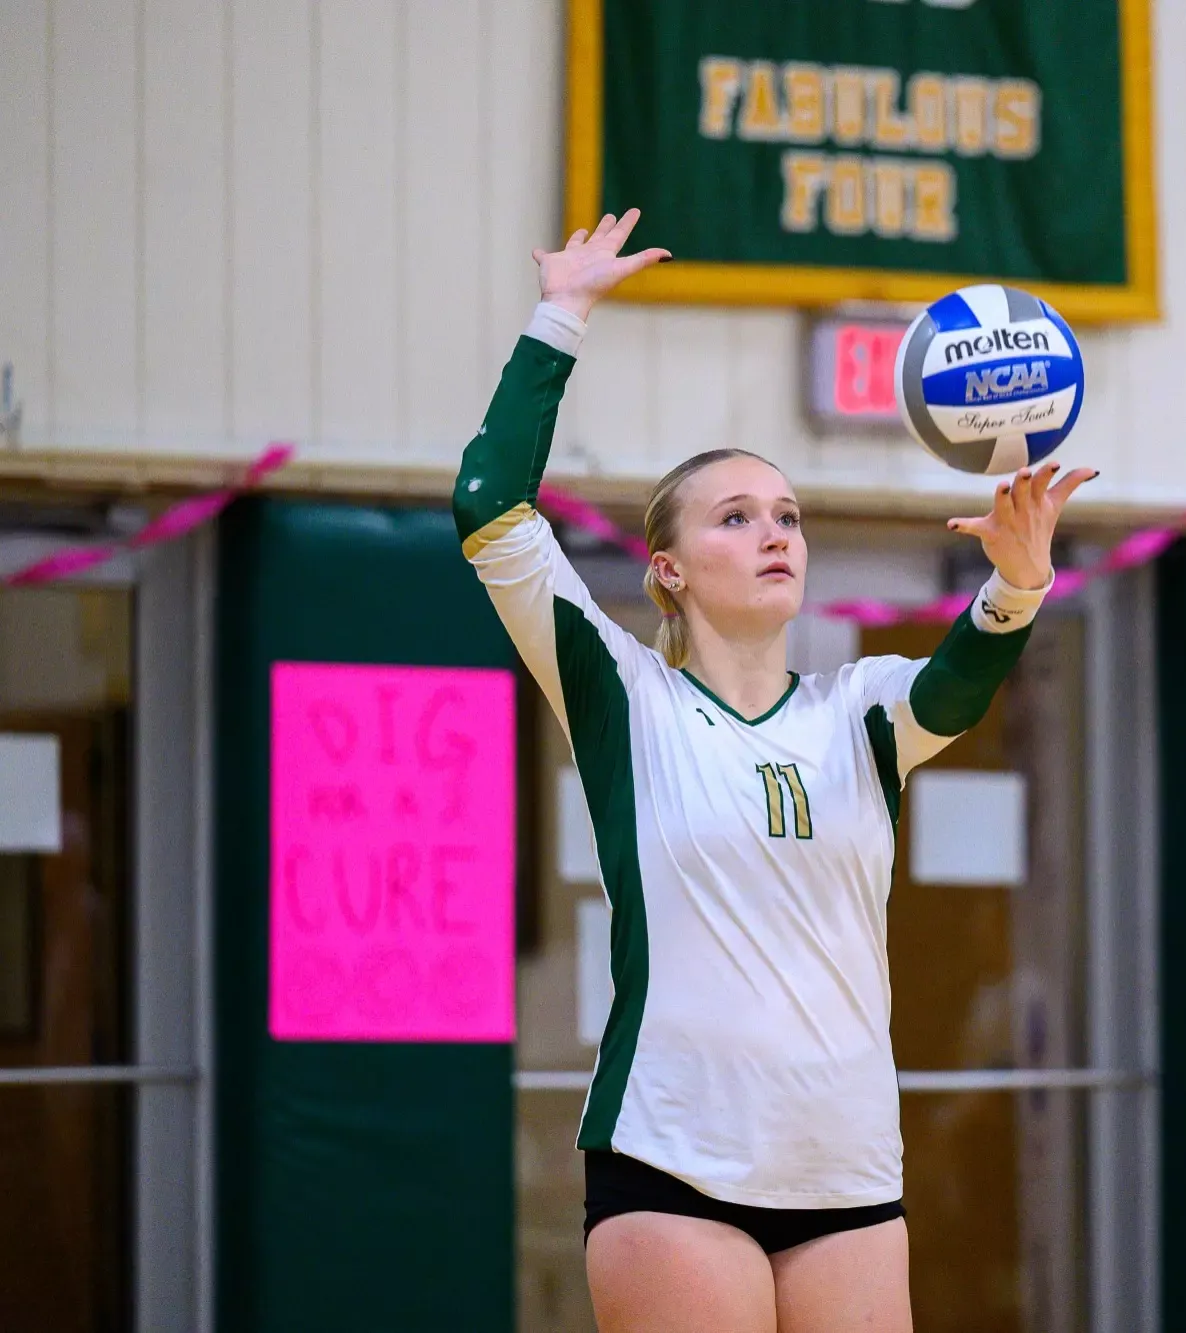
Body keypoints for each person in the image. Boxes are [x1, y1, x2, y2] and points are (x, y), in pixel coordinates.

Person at [451, 208, 1096, 1333]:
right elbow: (488, 506)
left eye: (788, 515)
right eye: (736, 516)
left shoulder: (859, 710)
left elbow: (955, 684)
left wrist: (1017, 586)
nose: (774, 532)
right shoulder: (623, 696)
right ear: (667, 568)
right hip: (674, 1159)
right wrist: (563, 313)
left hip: (846, 1172)